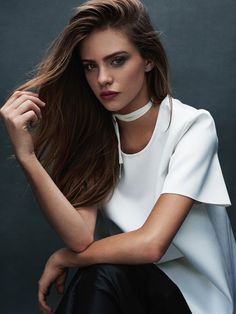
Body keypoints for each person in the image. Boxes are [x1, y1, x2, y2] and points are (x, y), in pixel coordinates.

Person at [0, 0, 235, 313]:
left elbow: (152, 244)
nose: (102, 79)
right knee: (98, 275)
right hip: (127, 289)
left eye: (117, 61)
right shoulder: (97, 136)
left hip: (194, 299)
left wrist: (65, 257)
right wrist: (27, 155)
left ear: (148, 59)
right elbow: (81, 236)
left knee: (99, 274)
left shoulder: (192, 126)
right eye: (90, 66)